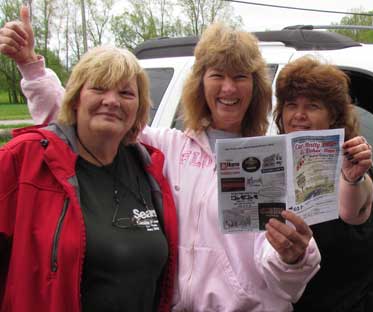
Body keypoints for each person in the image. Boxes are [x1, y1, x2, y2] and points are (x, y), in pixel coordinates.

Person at [0, 7, 320, 311]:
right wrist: (32, 67)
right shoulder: (166, 148)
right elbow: (84, 121)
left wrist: (292, 258)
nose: (228, 87)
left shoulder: (269, 160)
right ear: (199, 83)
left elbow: (287, 283)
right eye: (217, 74)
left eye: (240, 76)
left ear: (256, 87)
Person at [0, 45, 178, 311]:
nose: (112, 101)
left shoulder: (151, 170)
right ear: (75, 98)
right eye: (99, 88)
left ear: (139, 108)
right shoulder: (24, 159)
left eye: (126, 93)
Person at [274, 56, 373, 311]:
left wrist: (353, 178)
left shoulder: (352, 162)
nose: (299, 115)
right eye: (291, 104)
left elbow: (352, 211)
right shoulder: (272, 165)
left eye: (313, 106)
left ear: (333, 116)